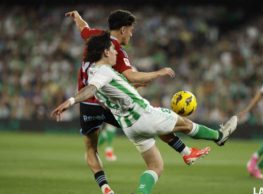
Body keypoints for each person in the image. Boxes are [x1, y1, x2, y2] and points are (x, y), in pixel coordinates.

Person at [51, 33, 238, 194]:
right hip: (144, 115)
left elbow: (108, 90)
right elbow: (90, 89)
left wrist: (130, 87)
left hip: (131, 128)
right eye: (113, 49)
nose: (116, 51)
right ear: (106, 52)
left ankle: (151, 184)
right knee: (187, 124)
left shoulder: (95, 71)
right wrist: (71, 101)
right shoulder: (102, 72)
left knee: (156, 166)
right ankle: (219, 136)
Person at [65, 10, 206, 194]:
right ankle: (185, 152)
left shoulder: (94, 37)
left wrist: (76, 17)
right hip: (110, 104)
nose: (132, 34)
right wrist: (155, 74)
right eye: (131, 30)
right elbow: (132, 76)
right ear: (123, 29)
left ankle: (105, 188)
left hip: (88, 103)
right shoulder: (118, 52)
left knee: (91, 148)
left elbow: (83, 28)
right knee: (150, 120)